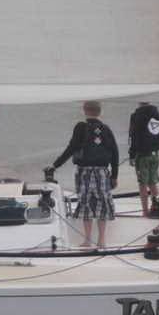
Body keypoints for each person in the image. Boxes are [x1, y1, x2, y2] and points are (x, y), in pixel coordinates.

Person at [45, 100, 119, 249]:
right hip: (102, 172)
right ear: (100, 112)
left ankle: (87, 240)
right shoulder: (106, 129)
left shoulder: (81, 127)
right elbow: (115, 153)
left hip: (85, 172)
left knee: (86, 204)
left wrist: (55, 165)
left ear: (84, 110)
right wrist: (114, 176)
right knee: (103, 204)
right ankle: (102, 240)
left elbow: (71, 148)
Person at [128, 101, 159, 218]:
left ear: (139, 104)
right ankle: (157, 208)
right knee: (152, 182)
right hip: (155, 154)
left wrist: (132, 155)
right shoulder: (157, 115)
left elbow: (134, 136)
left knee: (142, 183)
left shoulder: (137, 116)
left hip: (142, 155)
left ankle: (145, 212)